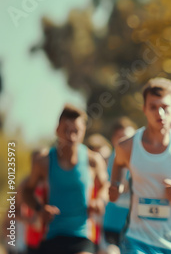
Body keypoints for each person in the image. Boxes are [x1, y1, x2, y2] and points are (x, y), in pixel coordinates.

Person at [109, 77, 171, 254]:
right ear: (144, 109)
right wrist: (115, 184)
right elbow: (118, 163)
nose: (160, 114)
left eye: (164, 107)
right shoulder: (127, 147)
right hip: (136, 240)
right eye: (153, 107)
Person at [23, 104, 108, 254]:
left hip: (82, 236)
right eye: (66, 131)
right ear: (57, 130)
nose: (71, 136)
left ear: (84, 131)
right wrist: (39, 209)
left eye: (76, 131)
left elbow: (105, 186)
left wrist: (99, 200)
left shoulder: (93, 160)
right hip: (52, 235)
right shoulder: (44, 162)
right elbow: (27, 191)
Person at [101, 117, 137, 254]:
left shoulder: (141, 161)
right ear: (113, 140)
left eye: (128, 137)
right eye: (120, 137)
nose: (124, 141)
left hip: (135, 225)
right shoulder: (105, 161)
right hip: (112, 223)